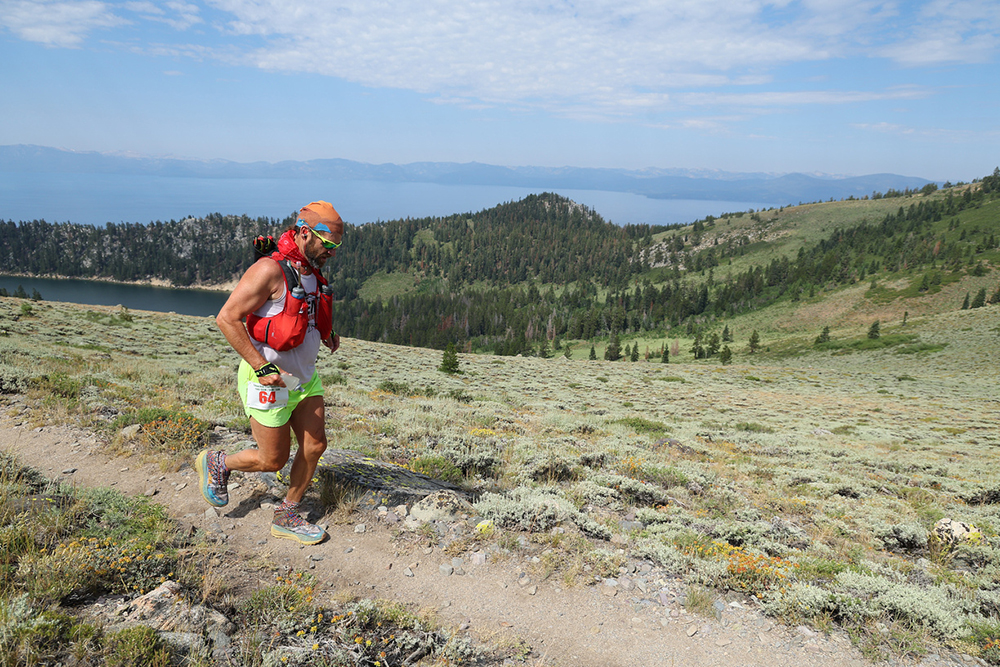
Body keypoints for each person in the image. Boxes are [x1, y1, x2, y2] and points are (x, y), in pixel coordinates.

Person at [196, 200, 344, 545]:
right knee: (271, 459)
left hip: (304, 377)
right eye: (329, 245)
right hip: (268, 379)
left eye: (337, 246)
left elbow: (301, 312)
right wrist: (260, 366)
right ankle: (219, 462)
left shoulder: (309, 268)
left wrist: (326, 333)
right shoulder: (270, 270)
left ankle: (287, 513)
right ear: (305, 233)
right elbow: (226, 318)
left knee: (315, 445)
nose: (332, 253)